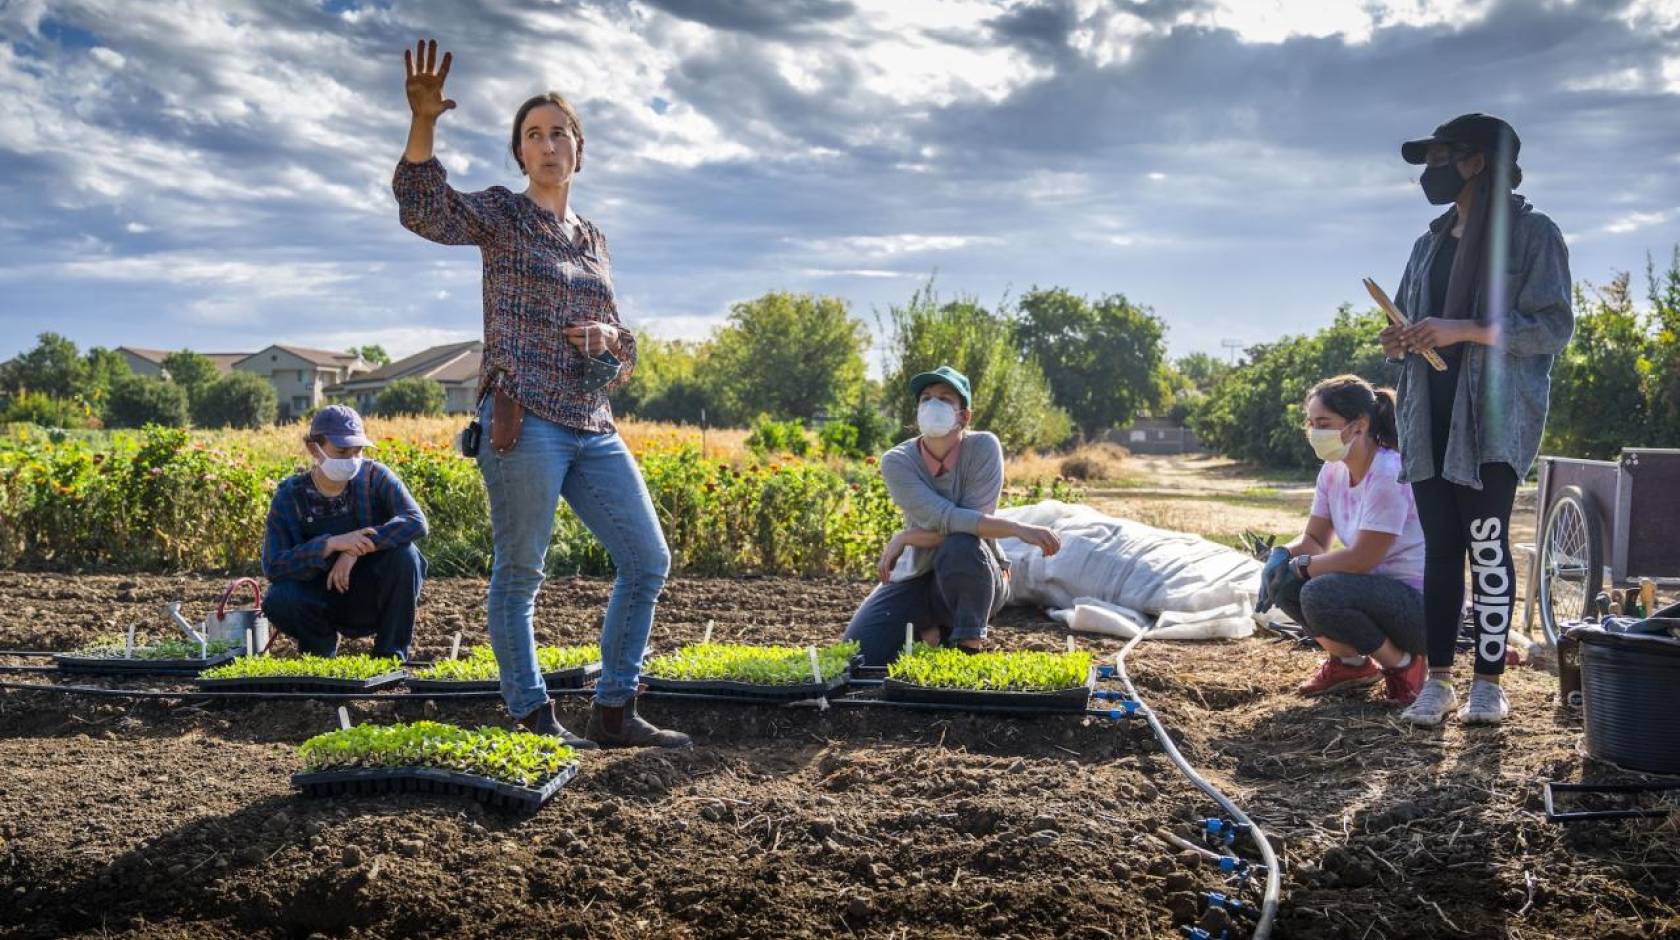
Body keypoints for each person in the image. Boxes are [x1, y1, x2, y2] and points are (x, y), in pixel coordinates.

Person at [391, 39, 687, 749]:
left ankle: (614, 710)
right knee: (520, 573)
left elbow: (623, 343)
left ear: (579, 150)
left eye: (560, 133)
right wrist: (424, 122)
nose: (548, 144)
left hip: (592, 421)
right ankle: (531, 713)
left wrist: (611, 344)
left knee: (648, 560)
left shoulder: (595, 239)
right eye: (533, 135)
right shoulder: (501, 215)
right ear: (520, 156)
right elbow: (423, 210)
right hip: (523, 416)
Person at [1379, 113, 1573, 726]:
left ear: (1478, 161)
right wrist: (1400, 340)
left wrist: (1464, 329)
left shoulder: (1535, 235)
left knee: (1487, 546)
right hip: (1427, 415)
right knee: (1442, 550)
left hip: (1493, 419)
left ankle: (1488, 684)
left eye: (1441, 159)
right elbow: (1413, 321)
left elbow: (1552, 327)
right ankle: (1438, 682)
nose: (1430, 174)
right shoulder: (1427, 243)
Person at [842, 366, 1063, 665]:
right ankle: (931, 631)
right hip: (918, 575)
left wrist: (907, 537)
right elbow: (946, 518)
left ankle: (968, 651)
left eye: (945, 399)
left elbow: (969, 528)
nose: (934, 404)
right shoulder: (897, 461)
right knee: (860, 654)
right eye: (926, 398)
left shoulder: (983, 447)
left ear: (964, 415)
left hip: (975, 573)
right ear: (917, 410)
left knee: (960, 545)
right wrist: (1016, 528)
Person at [1258, 376, 1429, 705]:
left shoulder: (1388, 471)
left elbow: (1363, 558)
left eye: (1323, 423)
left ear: (1359, 425)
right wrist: (1281, 555)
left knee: (1319, 591)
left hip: (1419, 609)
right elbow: (1314, 539)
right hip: (1371, 594)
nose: (1314, 432)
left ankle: (1405, 666)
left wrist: (1303, 566)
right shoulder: (1332, 471)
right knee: (1287, 584)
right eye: (1311, 423)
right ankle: (1351, 664)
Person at [261, 405, 428, 661]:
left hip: (367, 594)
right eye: (341, 451)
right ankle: (318, 654)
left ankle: (390, 656)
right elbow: (274, 564)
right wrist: (331, 545)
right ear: (314, 449)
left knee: (407, 556)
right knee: (280, 597)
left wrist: (355, 548)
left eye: (357, 450)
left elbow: (416, 522)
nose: (351, 459)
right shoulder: (290, 497)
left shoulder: (375, 477)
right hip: (317, 598)